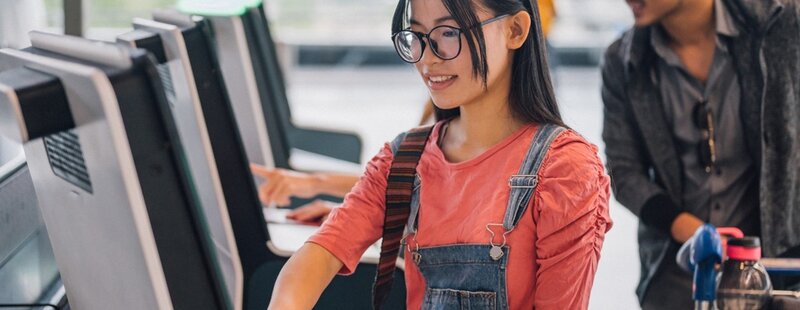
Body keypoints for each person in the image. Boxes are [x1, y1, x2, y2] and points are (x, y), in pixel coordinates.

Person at [268, 0, 612, 309]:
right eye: (417, 36)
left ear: (515, 30)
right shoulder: (404, 160)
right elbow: (315, 259)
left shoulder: (565, 170)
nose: (428, 57)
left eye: (448, 33)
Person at [601, 0, 800, 308]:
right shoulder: (623, 61)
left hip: (780, 273)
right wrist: (697, 235)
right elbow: (624, 173)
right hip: (677, 277)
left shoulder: (782, 25)